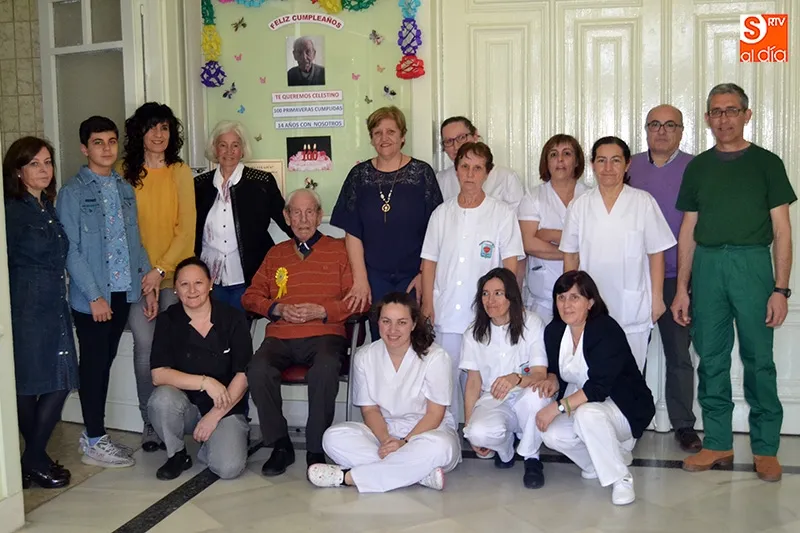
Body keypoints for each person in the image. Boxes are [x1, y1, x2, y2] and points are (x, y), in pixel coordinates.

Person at [673, 83, 795, 482]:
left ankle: (766, 447)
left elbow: (782, 230)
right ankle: (718, 442)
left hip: (752, 265)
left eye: (731, 110)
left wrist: (780, 289)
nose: (723, 118)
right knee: (711, 358)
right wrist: (682, 288)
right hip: (708, 266)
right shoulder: (698, 168)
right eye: (716, 111)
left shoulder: (767, 164)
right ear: (707, 118)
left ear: (747, 114)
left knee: (760, 360)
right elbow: (688, 230)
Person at [58, 116, 157, 468]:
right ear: (85, 148)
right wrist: (93, 296)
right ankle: (94, 440)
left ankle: (95, 435)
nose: (106, 148)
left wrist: (148, 283)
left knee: (104, 364)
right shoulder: (72, 192)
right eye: (98, 142)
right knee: (94, 366)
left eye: (112, 141)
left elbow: (134, 242)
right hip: (93, 298)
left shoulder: (124, 188)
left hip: (122, 291)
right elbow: (69, 249)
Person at [243, 189, 353, 477]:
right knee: (258, 369)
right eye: (296, 212)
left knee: (325, 368)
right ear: (286, 217)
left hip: (325, 334)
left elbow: (358, 300)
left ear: (319, 215)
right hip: (281, 336)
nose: (303, 219)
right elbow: (250, 297)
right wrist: (276, 308)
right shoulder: (275, 254)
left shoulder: (340, 250)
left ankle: (316, 448)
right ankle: (280, 445)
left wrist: (323, 311)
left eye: (309, 212)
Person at [308, 292, 461, 492]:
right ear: (378, 322)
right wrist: (386, 441)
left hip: (426, 433)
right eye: (386, 321)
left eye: (401, 322)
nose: (392, 330)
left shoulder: (436, 356)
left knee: (441, 448)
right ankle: (419, 473)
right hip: (384, 432)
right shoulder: (365, 356)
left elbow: (435, 413)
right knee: (332, 437)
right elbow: (370, 410)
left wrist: (404, 442)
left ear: (413, 324)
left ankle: (347, 477)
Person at [421, 141, 524, 420]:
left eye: (477, 168)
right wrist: (428, 303)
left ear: (487, 173)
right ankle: (448, 431)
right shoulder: (441, 214)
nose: (470, 174)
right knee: (445, 378)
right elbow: (429, 262)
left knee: (481, 379)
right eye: (465, 166)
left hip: (486, 313)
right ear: (456, 170)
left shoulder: (502, 214)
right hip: (447, 312)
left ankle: (479, 430)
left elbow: (510, 265)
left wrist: (507, 306)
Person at [538, 271, 656, 506]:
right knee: (551, 433)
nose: (566, 305)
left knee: (587, 413)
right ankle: (599, 462)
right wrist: (551, 379)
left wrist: (557, 407)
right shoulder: (554, 331)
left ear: (590, 302)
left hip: (623, 407)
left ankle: (621, 479)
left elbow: (598, 388)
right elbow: (555, 369)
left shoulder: (605, 330)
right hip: (586, 404)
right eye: (561, 298)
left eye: (574, 297)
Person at [560, 136, 676, 371]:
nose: (608, 168)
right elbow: (570, 256)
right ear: (593, 165)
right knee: (593, 376)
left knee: (630, 378)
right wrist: (570, 301)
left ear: (627, 164)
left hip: (632, 306)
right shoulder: (580, 205)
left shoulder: (643, 202)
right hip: (591, 306)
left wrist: (657, 299)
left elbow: (656, 254)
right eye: (601, 160)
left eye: (615, 160)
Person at [121, 102, 196, 452]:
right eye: (152, 127)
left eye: (164, 127)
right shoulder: (124, 172)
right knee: (145, 348)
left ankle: (171, 419)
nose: (158, 134)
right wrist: (145, 278)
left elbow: (186, 230)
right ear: (139, 131)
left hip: (172, 276)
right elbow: (123, 231)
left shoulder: (180, 171)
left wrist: (160, 271)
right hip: (136, 277)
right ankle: (149, 422)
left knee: (172, 348)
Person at [4, 137, 78, 488]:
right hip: (26, 309)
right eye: (34, 163)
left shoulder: (46, 206)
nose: (44, 169)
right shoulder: (11, 211)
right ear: (18, 171)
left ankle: (32, 459)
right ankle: (35, 459)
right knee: (30, 384)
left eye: (47, 162)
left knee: (61, 379)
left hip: (54, 304)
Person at [330, 106, 442, 339]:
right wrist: (361, 279)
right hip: (374, 276)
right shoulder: (359, 176)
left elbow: (436, 231)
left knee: (415, 338)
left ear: (403, 136)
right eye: (377, 132)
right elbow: (352, 232)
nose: (384, 138)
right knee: (381, 337)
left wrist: (424, 274)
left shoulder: (422, 174)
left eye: (391, 131)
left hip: (414, 275)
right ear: (371, 138)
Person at [628, 105, 701, 453]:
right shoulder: (628, 166)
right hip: (632, 277)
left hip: (677, 277)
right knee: (629, 353)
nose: (661, 131)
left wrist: (684, 284)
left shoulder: (695, 168)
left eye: (670, 125)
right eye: (655, 124)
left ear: (681, 131)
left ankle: (683, 424)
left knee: (678, 354)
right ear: (646, 129)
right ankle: (630, 417)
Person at [148, 257, 251, 481]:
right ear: (175, 289)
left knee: (228, 468)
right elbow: (159, 374)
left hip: (224, 406)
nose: (192, 290)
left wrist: (214, 416)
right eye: (184, 284)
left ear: (210, 284)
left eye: (198, 283)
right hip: (185, 406)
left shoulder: (232, 318)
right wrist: (206, 382)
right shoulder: (168, 320)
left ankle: (214, 441)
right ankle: (177, 454)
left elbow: (243, 375)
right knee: (161, 399)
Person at [461, 268, 551, 488]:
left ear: (511, 296)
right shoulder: (473, 332)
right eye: (485, 294)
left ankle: (531, 458)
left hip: (525, 394)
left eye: (498, 293)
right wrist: (469, 428)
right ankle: (506, 450)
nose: (490, 300)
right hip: (493, 399)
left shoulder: (532, 323)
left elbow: (540, 374)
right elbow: (473, 383)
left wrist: (516, 379)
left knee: (537, 396)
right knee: (477, 432)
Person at [195, 120, 293, 309]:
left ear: (242, 150)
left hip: (248, 277)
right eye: (223, 145)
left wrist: (310, 247)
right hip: (208, 279)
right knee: (212, 327)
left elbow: (285, 220)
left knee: (240, 326)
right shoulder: (199, 185)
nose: (229, 151)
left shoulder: (262, 182)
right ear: (214, 149)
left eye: (235, 145)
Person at [518, 134, 589, 321]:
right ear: (546, 162)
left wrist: (547, 234)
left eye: (567, 153)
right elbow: (528, 243)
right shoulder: (533, 197)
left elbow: (594, 240)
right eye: (553, 154)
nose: (560, 159)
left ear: (577, 161)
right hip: (543, 300)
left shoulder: (589, 197)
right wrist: (573, 253)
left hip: (584, 298)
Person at [436, 116, 525, 210]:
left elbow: (517, 217)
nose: (456, 146)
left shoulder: (506, 178)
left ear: (475, 136)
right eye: (449, 141)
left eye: (461, 137)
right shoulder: (441, 180)